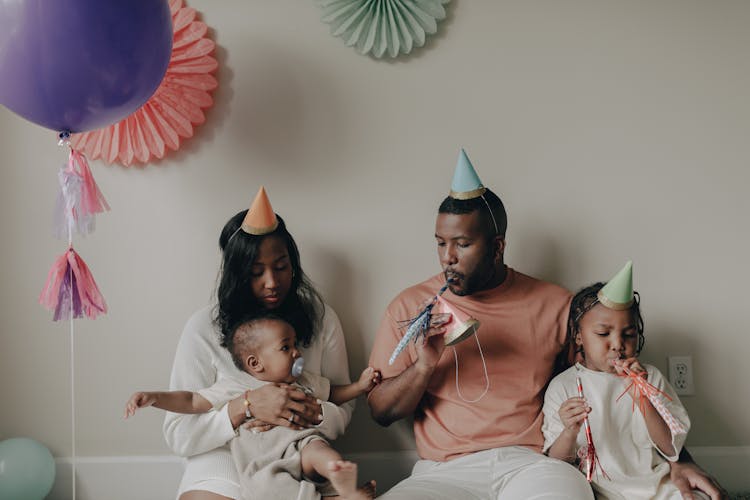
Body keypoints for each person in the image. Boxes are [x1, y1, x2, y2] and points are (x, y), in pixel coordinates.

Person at [367, 149, 727, 499]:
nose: (448, 258)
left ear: (497, 247)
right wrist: (424, 366)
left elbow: (608, 383)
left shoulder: (555, 304)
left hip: (533, 464)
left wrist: (679, 460)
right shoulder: (412, 307)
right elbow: (380, 412)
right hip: (443, 470)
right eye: (441, 243)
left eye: (462, 244)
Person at [164, 186, 356, 500]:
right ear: (237, 276)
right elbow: (179, 434)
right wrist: (244, 407)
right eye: (256, 272)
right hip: (222, 457)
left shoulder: (321, 319)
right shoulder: (202, 328)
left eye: (281, 267)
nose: (271, 282)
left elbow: (344, 404)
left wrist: (308, 411)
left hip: (295, 451)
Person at [128, 315, 380, 500]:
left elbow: (334, 394)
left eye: (295, 345)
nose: (296, 353)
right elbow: (192, 401)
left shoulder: (305, 381)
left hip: (303, 441)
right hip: (264, 457)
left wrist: (359, 386)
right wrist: (155, 397)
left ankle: (340, 479)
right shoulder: (236, 385)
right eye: (286, 347)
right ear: (256, 363)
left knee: (319, 451)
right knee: (266, 489)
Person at [543, 262, 700, 499]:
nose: (618, 344)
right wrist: (569, 431)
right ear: (578, 336)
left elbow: (670, 448)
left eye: (628, 334)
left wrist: (643, 395)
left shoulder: (651, 377)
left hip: (656, 484)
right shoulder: (563, 386)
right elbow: (556, 462)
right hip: (600, 489)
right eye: (603, 334)